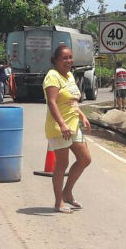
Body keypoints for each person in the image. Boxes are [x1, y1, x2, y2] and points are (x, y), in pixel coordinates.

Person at [44, 45, 92, 214]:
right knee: (62, 164)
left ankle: (67, 193)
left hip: (73, 126)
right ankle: (59, 202)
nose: (68, 61)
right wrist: (62, 124)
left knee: (85, 159)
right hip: (59, 127)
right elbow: (52, 102)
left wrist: (82, 116)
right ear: (56, 60)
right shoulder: (52, 76)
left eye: (70, 57)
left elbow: (71, 101)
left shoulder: (70, 75)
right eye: (64, 58)